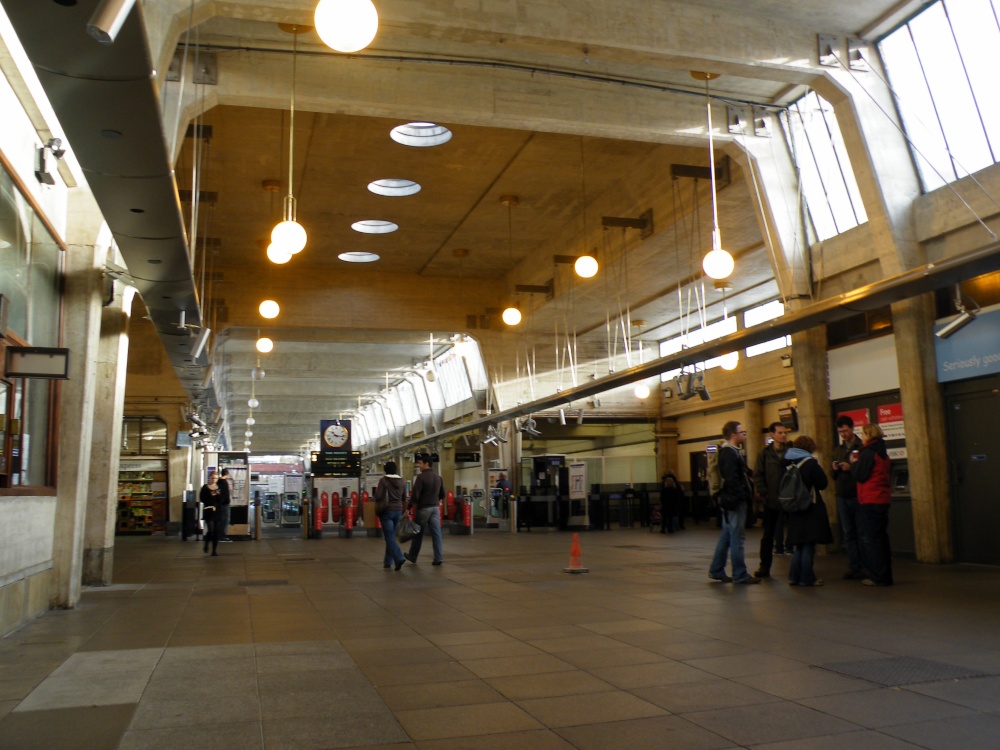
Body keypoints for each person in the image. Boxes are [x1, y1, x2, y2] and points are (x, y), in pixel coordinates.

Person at [708, 421, 760, 584]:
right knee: (737, 537)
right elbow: (732, 478)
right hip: (734, 501)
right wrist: (742, 495)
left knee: (726, 536)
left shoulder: (730, 452)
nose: (744, 434)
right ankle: (739, 573)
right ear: (733, 435)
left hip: (728, 500)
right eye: (741, 432)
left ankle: (716, 569)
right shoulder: (729, 453)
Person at [783, 435, 833, 586]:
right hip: (809, 507)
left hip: (793, 507)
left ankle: (794, 576)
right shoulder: (810, 463)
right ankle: (807, 578)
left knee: (799, 545)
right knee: (809, 545)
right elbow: (822, 483)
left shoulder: (787, 461)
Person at [851, 423, 893, 587]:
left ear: (868, 435)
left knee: (873, 539)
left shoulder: (868, 452)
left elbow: (861, 476)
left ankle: (878, 576)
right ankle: (886, 574)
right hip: (882, 499)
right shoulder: (882, 452)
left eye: (862, 433)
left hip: (870, 499)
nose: (861, 436)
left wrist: (854, 464)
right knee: (882, 538)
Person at [753, 422, 790, 577]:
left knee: (793, 531)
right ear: (772, 435)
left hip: (789, 499)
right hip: (772, 500)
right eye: (780, 433)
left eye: (784, 432)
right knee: (768, 535)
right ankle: (764, 566)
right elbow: (758, 475)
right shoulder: (764, 454)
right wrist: (764, 492)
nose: (783, 435)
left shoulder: (790, 453)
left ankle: (797, 567)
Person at [832, 416, 866, 580]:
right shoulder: (838, 450)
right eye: (840, 432)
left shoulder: (861, 447)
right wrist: (835, 469)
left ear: (852, 428)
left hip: (857, 494)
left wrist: (850, 467)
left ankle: (865, 565)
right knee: (848, 532)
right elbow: (833, 476)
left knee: (861, 531)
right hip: (842, 494)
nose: (843, 434)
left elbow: (864, 471)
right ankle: (854, 566)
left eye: (845, 430)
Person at [405, 454, 446, 566]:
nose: (419, 465)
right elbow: (443, 494)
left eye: (420, 463)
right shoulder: (438, 477)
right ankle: (438, 557)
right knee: (436, 533)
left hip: (423, 509)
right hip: (435, 509)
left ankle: (413, 556)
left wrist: (408, 508)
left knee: (418, 533)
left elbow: (415, 496)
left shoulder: (421, 477)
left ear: (426, 464)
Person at [374, 461, 408, 570]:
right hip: (398, 510)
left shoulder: (384, 481)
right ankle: (387, 561)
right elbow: (404, 497)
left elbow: (378, 496)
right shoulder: (402, 481)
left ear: (385, 470)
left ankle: (399, 557)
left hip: (387, 511)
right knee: (391, 536)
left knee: (389, 537)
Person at [199, 471, 223, 556]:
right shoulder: (205, 488)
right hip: (209, 511)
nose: (214, 480)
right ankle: (206, 544)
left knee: (216, 531)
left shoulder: (219, 487)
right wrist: (211, 496)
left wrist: (218, 495)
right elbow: (202, 499)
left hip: (217, 511)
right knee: (211, 530)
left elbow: (222, 500)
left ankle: (214, 550)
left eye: (216, 478)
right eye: (213, 478)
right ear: (209, 478)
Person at [217, 468, 232, 542]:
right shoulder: (223, 482)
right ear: (227, 474)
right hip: (224, 504)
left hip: (222, 504)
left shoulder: (219, 482)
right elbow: (224, 494)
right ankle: (222, 536)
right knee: (225, 520)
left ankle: (221, 535)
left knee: (223, 520)